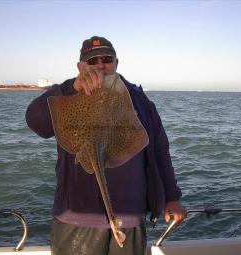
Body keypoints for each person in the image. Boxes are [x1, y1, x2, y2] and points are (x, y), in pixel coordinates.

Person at [25, 36, 186, 255]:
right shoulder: (65, 94)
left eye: (107, 59)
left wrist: (172, 197)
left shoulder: (140, 101)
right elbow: (36, 122)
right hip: (79, 219)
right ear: (80, 66)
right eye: (92, 61)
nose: (100, 65)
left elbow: (159, 151)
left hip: (130, 217)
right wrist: (70, 88)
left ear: (116, 63)